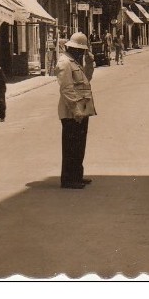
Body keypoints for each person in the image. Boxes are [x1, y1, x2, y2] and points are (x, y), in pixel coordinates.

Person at [54, 31, 97, 189]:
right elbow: (66, 89)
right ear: (73, 48)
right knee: (71, 146)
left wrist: (90, 64)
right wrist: (75, 111)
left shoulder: (75, 61)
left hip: (82, 109)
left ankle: (77, 175)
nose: (82, 53)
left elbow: (86, 79)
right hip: (71, 112)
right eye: (80, 50)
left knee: (80, 145)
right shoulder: (65, 62)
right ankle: (68, 179)